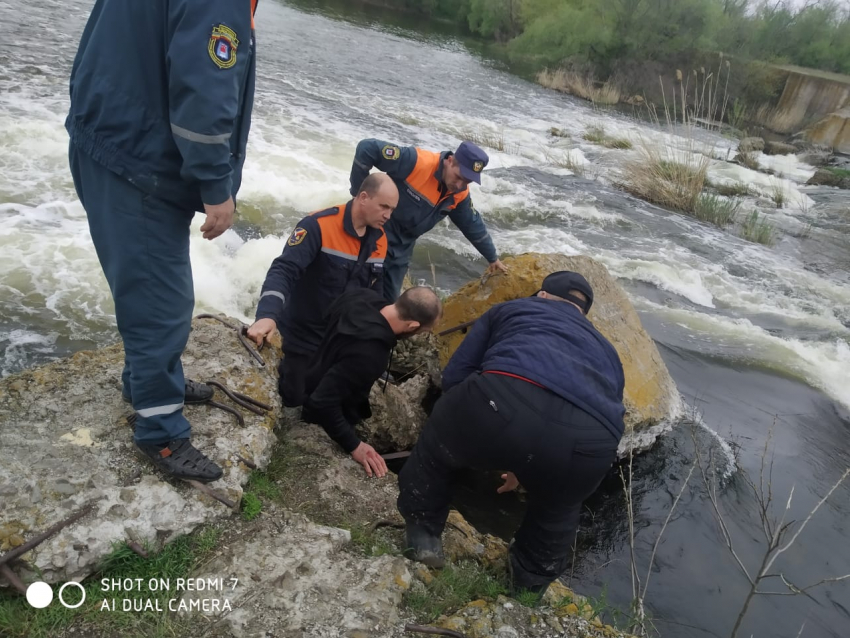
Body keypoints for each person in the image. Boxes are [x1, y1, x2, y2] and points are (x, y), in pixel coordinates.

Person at [66, 0, 259, 482]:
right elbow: (204, 88)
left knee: (144, 284)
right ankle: (161, 433)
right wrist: (216, 187)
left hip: (111, 131)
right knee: (161, 300)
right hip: (140, 157)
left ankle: (146, 383)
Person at [397, 271, 626, 596]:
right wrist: (527, 459)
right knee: (558, 508)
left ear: (543, 295)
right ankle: (529, 586)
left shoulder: (513, 310)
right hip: (593, 441)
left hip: (504, 399)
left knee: (438, 446)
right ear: (582, 313)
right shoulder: (607, 351)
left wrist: (482, 432)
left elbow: (455, 377)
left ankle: (423, 538)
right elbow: (589, 407)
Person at [246, 173, 398, 408]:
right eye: (384, 207)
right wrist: (267, 315)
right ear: (363, 197)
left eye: (392, 209)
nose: (388, 215)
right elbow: (283, 270)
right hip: (301, 335)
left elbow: (374, 295)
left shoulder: (380, 239)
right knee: (294, 399)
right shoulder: (318, 225)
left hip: (340, 339)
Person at [300, 286, 442, 478]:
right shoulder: (372, 355)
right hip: (318, 406)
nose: (419, 335)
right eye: (422, 331)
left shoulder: (359, 294)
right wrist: (354, 445)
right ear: (412, 326)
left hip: (307, 368)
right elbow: (322, 402)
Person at [349, 138, 508, 301]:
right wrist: (359, 196)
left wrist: (492, 258)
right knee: (353, 291)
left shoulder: (459, 195)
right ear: (450, 161)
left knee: (388, 302)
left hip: (402, 249)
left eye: (467, 181)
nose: (459, 185)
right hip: (373, 235)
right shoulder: (417, 162)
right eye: (458, 176)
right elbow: (366, 148)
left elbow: (473, 226)